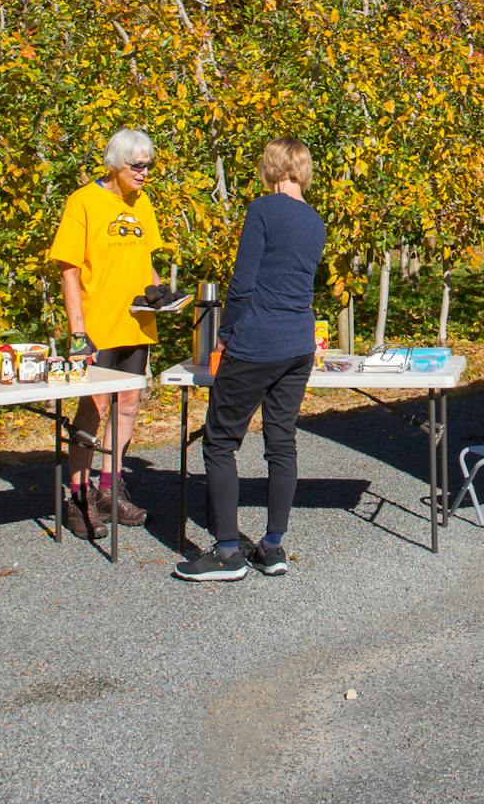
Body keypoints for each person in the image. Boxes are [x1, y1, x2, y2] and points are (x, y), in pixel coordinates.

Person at [175, 138, 327, 582]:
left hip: (257, 339)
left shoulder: (262, 210)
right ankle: (273, 546)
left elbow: (242, 283)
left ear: (271, 167)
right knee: (281, 441)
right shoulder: (315, 221)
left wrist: (224, 336)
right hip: (299, 343)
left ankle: (226, 552)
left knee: (220, 441)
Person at [49, 128, 181, 539]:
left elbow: (145, 262)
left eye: (148, 166)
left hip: (135, 324)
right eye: (137, 166)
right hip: (97, 326)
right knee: (94, 408)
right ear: (115, 164)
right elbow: (68, 269)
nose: (144, 174)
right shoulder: (83, 202)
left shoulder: (142, 203)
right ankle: (77, 494)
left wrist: (161, 294)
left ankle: (110, 487)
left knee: (127, 405)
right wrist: (77, 332)